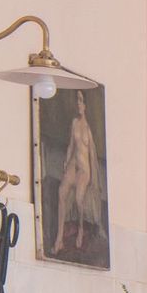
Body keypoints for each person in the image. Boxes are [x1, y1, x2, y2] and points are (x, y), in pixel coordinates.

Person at [55, 91, 101, 257]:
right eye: (77, 101)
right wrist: (66, 162)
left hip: (84, 170)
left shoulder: (88, 130)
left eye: (81, 101)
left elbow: (91, 156)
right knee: (61, 193)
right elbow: (70, 146)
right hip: (73, 166)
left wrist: (91, 178)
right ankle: (59, 238)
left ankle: (81, 228)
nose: (79, 104)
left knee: (78, 199)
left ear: (86, 105)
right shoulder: (74, 123)